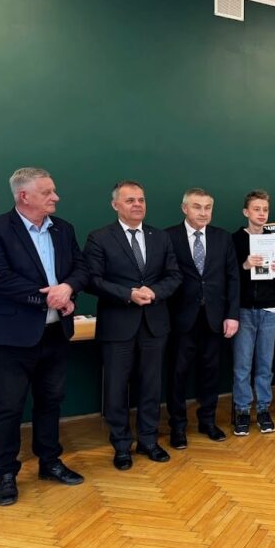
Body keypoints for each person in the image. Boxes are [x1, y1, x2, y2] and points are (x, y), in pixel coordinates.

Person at [0, 167, 88, 506]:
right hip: (12, 336)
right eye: (47, 192)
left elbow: (81, 268)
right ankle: (5, 473)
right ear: (24, 196)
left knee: (51, 400)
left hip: (55, 333)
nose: (56, 197)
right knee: (9, 407)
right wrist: (50, 297)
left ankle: (49, 461)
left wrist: (68, 289)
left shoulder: (63, 228)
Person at [85, 181, 182, 470]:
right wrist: (127, 294)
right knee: (116, 389)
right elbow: (92, 280)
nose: (137, 204)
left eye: (141, 199)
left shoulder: (160, 237)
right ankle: (121, 445)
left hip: (154, 324)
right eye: (130, 200)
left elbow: (174, 276)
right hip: (118, 325)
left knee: (151, 386)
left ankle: (149, 440)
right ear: (115, 205)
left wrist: (155, 292)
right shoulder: (99, 238)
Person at [165, 188, 239, 449]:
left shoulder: (222, 237)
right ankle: (178, 427)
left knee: (211, 372)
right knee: (177, 374)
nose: (203, 212)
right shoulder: (168, 237)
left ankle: (207, 421)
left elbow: (233, 278)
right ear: (185, 208)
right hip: (180, 320)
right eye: (197, 207)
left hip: (214, 318)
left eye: (208, 207)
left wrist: (232, 315)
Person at [231, 190, 275, 436]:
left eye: (265, 209)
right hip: (244, 310)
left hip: (270, 309)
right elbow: (228, 275)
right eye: (257, 209)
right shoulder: (234, 240)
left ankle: (263, 408)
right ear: (246, 212)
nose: (262, 213)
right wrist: (245, 265)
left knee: (265, 364)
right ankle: (242, 410)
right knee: (242, 364)